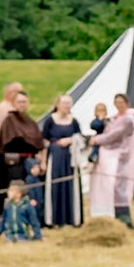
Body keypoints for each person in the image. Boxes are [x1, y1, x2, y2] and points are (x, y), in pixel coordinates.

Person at [86, 93, 134, 228]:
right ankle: (113, 216)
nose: (119, 105)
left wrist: (97, 140)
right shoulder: (114, 118)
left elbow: (115, 135)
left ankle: (125, 219)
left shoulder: (128, 120)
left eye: (122, 102)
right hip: (111, 157)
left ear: (126, 103)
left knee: (119, 188)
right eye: (117, 102)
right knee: (112, 188)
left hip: (121, 157)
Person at [37, 94, 84, 228]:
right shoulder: (50, 121)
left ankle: (71, 219)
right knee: (55, 186)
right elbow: (45, 142)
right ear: (58, 104)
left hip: (70, 157)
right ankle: (54, 220)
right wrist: (43, 161)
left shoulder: (73, 121)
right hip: (55, 156)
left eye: (68, 104)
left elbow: (80, 137)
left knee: (70, 185)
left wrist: (71, 140)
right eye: (64, 103)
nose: (66, 106)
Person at [0, 92, 45, 217]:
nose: (22, 104)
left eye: (24, 102)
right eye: (19, 102)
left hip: (30, 163)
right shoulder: (9, 121)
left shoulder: (30, 122)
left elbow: (38, 143)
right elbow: (7, 144)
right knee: (16, 190)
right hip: (15, 163)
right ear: (14, 103)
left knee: (31, 191)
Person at [0, 81, 24, 212]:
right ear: (10, 93)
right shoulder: (5, 108)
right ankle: (0, 211)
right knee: (5, 183)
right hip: (2, 151)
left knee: (8, 182)